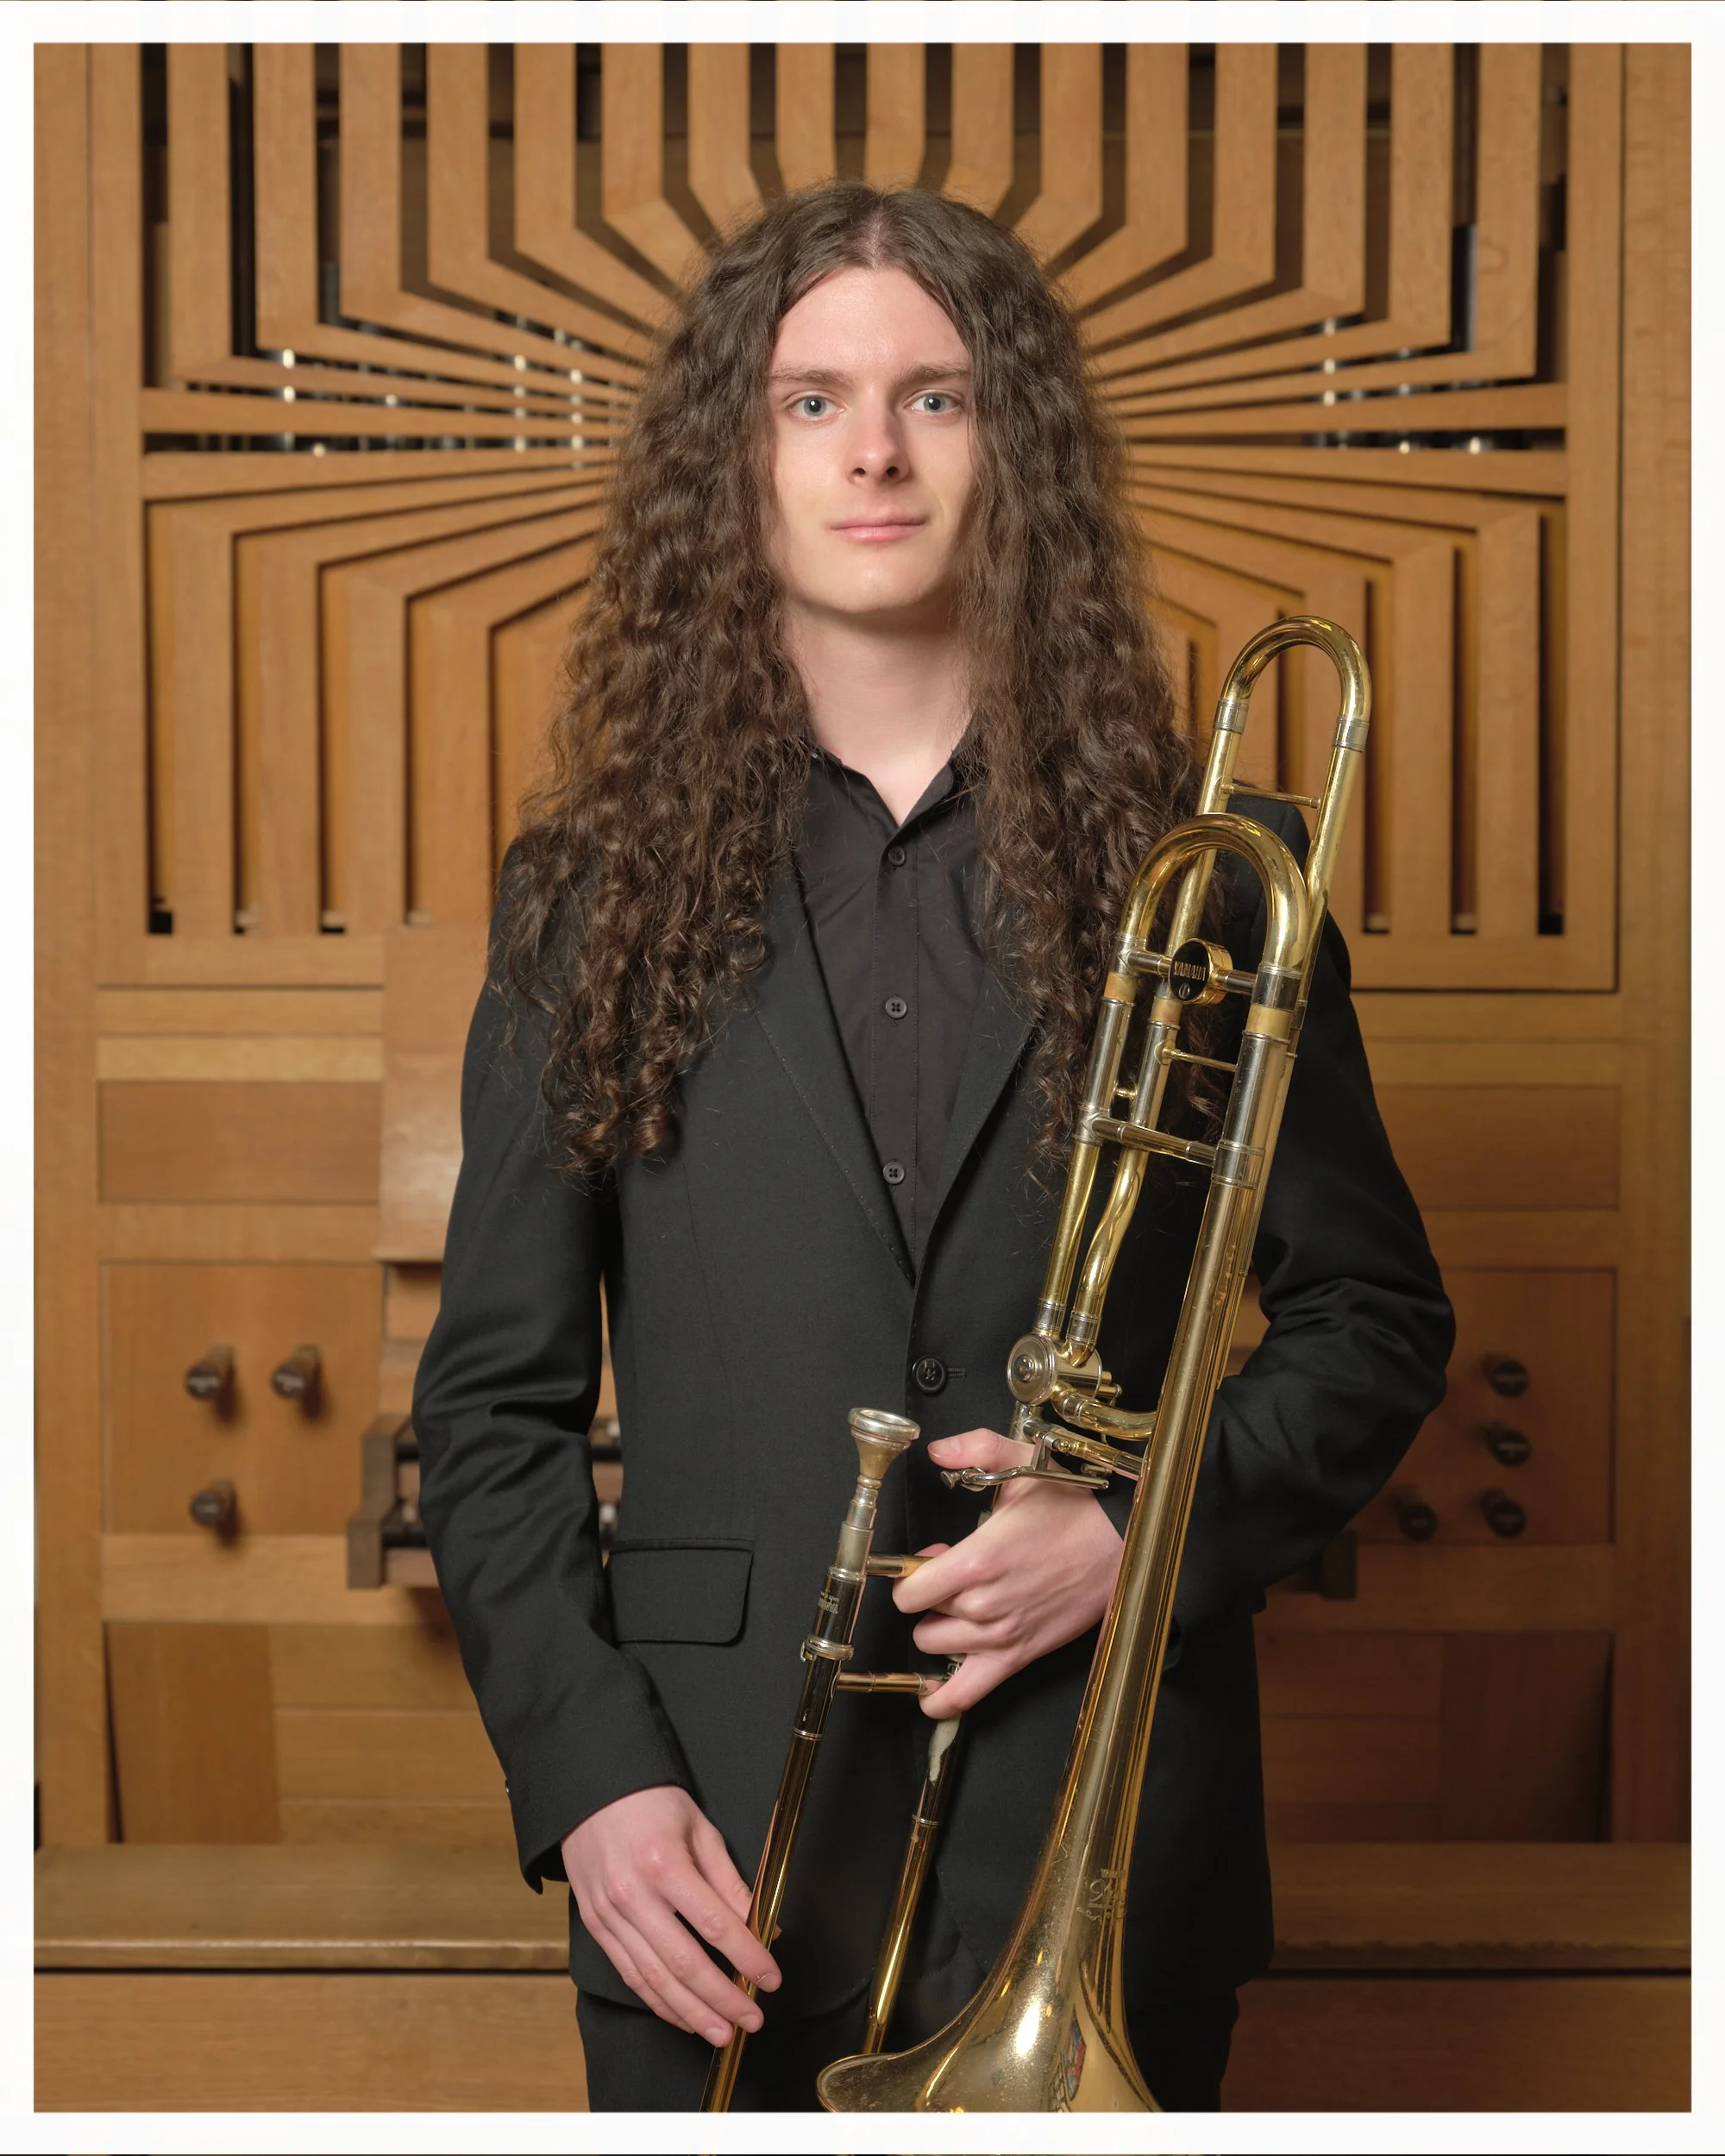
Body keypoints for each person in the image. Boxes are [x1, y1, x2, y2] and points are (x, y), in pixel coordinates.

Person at [412, 182, 1454, 2113]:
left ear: (1017, 451)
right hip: (710, 1843)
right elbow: (489, 1411)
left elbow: (1374, 1317)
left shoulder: (1209, 873)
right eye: (809, 401)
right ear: (733, 461)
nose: (872, 450)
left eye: (935, 397)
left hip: (1102, 1816)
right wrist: (600, 1785)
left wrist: (1136, 1537)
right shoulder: (587, 899)